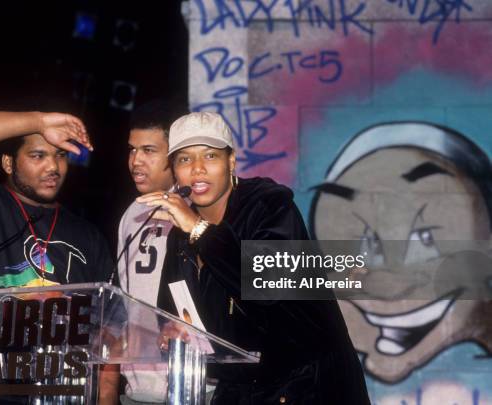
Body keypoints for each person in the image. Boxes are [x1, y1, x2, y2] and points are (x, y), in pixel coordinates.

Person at [137, 112, 370, 404]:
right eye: (184, 159)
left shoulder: (269, 207)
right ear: (174, 171)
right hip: (244, 386)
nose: (197, 169)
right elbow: (170, 312)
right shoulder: (179, 236)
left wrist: (199, 230)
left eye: (210, 156)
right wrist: (169, 331)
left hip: (308, 384)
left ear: (231, 161)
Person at [0, 111, 118, 404]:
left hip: (58, 392)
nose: (53, 167)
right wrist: (39, 122)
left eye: (59, 156)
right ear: (8, 163)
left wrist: (105, 396)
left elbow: (109, 333)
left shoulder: (89, 236)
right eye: (37, 155)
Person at [116, 101, 185, 404]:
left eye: (148, 151)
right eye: (132, 150)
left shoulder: (198, 209)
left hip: (189, 384)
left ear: (175, 156)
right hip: (136, 389)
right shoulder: (132, 212)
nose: (135, 161)